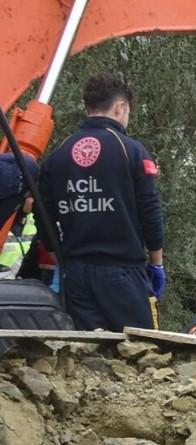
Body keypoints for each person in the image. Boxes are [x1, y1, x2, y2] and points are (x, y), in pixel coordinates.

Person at [38, 72, 165, 331]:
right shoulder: (131, 150)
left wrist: (60, 259)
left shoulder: (58, 154)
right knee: (140, 352)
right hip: (122, 273)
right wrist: (157, 262)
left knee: (88, 357)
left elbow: (43, 215)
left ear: (87, 108)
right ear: (121, 107)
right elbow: (150, 211)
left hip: (76, 274)